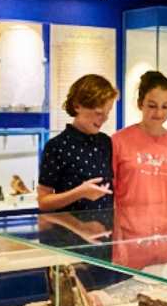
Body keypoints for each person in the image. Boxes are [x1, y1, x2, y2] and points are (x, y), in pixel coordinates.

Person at [38, 74, 118, 212]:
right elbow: (43, 201)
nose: (104, 119)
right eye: (99, 113)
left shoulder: (105, 142)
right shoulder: (56, 146)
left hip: (105, 229)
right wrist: (79, 193)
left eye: (107, 113)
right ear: (77, 106)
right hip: (68, 231)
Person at [111, 71, 167, 207]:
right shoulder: (118, 142)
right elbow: (108, 192)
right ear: (140, 103)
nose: (159, 113)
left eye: (165, 107)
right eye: (152, 106)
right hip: (127, 227)